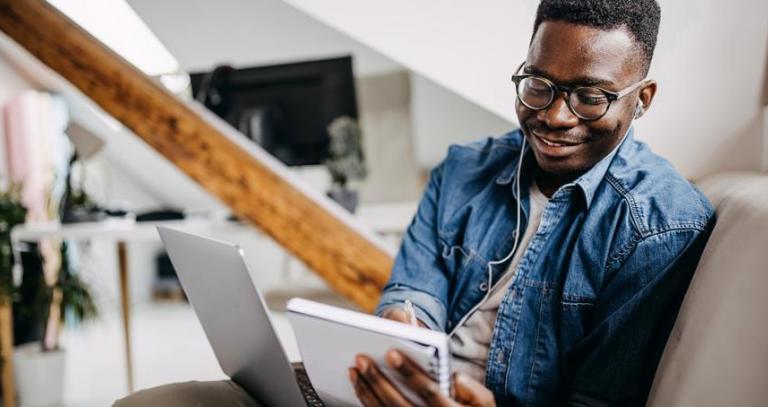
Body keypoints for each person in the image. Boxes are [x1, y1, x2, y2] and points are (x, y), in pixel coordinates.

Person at [115, 0, 715, 406]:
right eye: (539, 85)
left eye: (591, 97)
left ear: (643, 99)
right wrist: (401, 326)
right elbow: (413, 290)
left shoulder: (660, 226)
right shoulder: (462, 169)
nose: (555, 115)